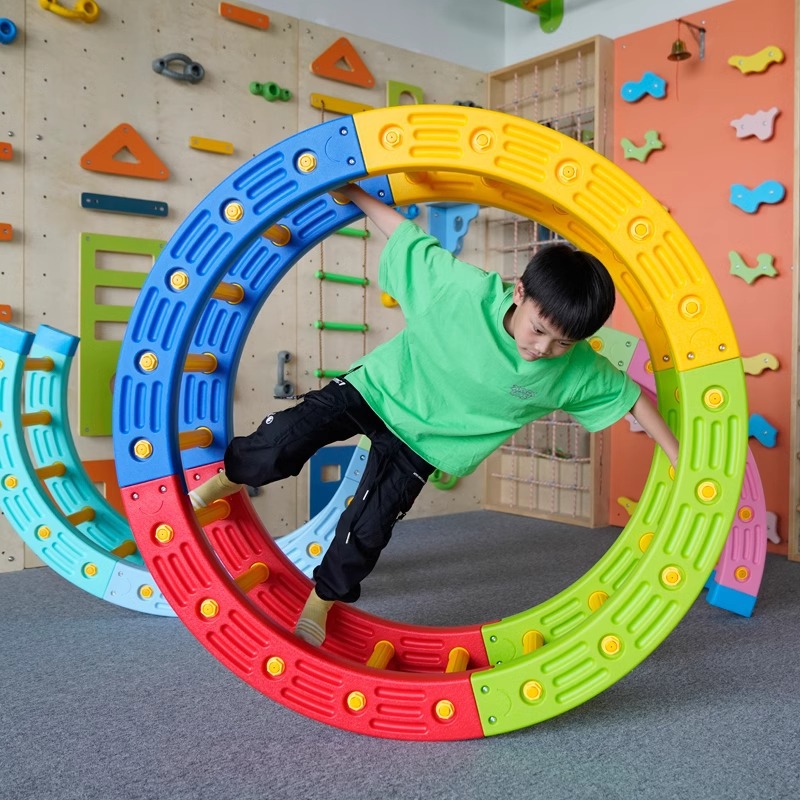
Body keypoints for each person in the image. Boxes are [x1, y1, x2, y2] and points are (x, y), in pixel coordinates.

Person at [189, 182, 679, 647]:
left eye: (563, 343)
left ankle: (320, 603)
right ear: (520, 293)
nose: (543, 348)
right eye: (539, 330)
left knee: (367, 529)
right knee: (283, 441)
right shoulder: (462, 291)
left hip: (426, 444)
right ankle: (224, 481)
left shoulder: (574, 369)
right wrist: (356, 193)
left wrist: (677, 454)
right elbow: (405, 235)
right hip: (377, 390)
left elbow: (630, 396)